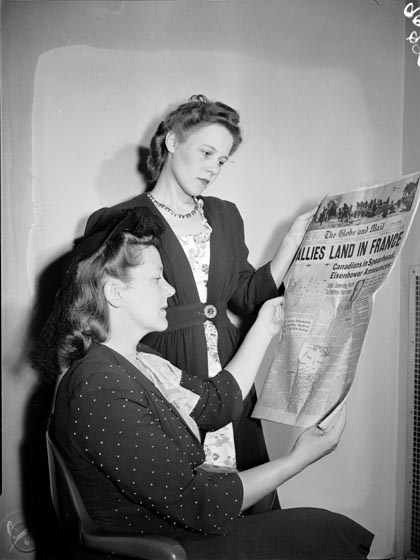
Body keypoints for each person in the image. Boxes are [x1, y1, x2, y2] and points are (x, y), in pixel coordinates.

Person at [36, 207, 373, 559]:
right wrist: (299, 459)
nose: (169, 289)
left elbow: (215, 405)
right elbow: (203, 503)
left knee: (323, 530)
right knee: (325, 533)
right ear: (114, 293)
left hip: (182, 532)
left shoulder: (136, 360)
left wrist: (265, 326)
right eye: (156, 279)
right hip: (166, 545)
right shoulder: (101, 386)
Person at [85, 95, 316, 512]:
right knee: (184, 501)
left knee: (247, 499)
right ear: (173, 142)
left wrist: (291, 244)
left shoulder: (226, 215)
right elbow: (93, 312)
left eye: (223, 160)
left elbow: (245, 298)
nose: (214, 167)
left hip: (231, 370)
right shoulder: (119, 218)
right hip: (166, 365)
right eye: (207, 152)